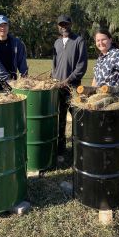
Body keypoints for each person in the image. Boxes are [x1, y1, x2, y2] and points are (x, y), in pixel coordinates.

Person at [52, 14, 88, 158]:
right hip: (58, 88)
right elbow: (54, 65)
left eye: (66, 24)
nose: (64, 27)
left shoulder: (79, 41)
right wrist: (55, 80)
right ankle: (61, 149)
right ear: (58, 26)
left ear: (71, 24)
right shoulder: (56, 43)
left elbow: (82, 66)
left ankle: (78, 149)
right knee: (60, 118)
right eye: (61, 24)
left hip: (73, 88)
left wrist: (68, 80)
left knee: (77, 118)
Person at [92, 29, 119, 94]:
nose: (100, 43)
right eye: (98, 40)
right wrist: (91, 93)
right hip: (101, 99)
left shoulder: (117, 54)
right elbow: (96, 78)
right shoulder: (100, 58)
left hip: (115, 100)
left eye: (103, 39)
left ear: (110, 40)